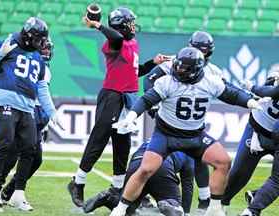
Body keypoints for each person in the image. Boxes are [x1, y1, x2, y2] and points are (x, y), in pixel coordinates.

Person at [110, 47, 264, 216]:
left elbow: (232, 95)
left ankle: (214, 207)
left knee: (223, 161)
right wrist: (131, 116)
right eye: (177, 65)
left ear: (194, 70)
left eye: (182, 68)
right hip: (166, 134)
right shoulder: (167, 82)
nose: (177, 69)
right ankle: (121, 208)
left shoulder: (210, 81)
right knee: (146, 169)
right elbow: (147, 100)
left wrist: (251, 103)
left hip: (195, 136)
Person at [67, 6, 169, 208]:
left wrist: (152, 63)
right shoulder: (114, 42)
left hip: (127, 97)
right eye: (129, 22)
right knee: (99, 138)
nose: (133, 25)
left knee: (123, 145)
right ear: (121, 25)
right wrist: (96, 25)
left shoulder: (131, 43)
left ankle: (117, 189)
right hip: (112, 95)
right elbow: (115, 37)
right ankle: (77, 182)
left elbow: (134, 72)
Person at [0, 17, 56, 212]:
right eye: (40, 38)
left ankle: (18, 194)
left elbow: (42, 87)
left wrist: (52, 111)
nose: (43, 43)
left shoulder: (37, 57)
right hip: (5, 101)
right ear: (29, 36)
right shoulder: (9, 42)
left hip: (27, 107)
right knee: (5, 143)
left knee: (30, 149)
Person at [83, 141, 194, 216]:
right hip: (162, 166)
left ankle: (110, 199)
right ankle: (169, 203)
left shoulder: (156, 137)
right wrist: (187, 212)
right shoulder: (188, 152)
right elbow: (187, 186)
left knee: (127, 209)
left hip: (136, 165)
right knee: (174, 205)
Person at [221, 72, 279, 215]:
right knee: (239, 174)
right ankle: (220, 204)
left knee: (277, 180)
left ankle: (257, 197)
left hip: (276, 135)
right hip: (257, 132)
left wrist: (251, 86)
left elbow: (267, 91)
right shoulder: (272, 83)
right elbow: (266, 91)